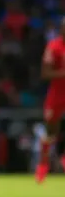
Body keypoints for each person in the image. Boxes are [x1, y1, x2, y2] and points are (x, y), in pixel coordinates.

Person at [35, 17, 65, 183]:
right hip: (57, 94)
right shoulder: (53, 47)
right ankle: (43, 164)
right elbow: (45, 74)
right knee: (51, 131)